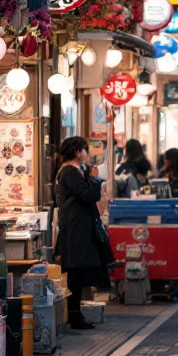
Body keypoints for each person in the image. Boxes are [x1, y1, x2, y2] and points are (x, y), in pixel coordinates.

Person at [55, 136, 114, 330]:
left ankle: (76, 313)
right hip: (75, 229)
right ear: (77, 152)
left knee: (79, 272)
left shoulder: (77, 171)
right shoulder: (69, 173)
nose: (88, 154)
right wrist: (97, 179)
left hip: (80, 227)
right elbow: (88, 196)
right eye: (85, 150)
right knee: (75, 272)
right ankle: (74, 315)